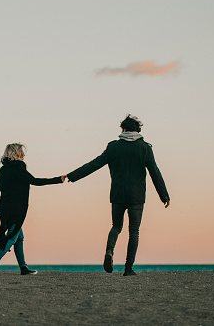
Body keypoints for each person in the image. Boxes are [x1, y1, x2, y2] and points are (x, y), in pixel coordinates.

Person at [64, 114, 170, 276]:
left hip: (118, 194)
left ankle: (109, 251)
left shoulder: (114, 147)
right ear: (138, 130)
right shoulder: (145, 148)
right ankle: (128, 269)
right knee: (134, 231)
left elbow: (95, 164)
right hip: (137, 196)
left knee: (116, 226)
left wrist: (72, 176)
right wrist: (164, 196)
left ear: (124, 129)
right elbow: (155, 172)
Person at [0, 143, 66, 275]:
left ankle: (23, 267)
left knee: (19, 236)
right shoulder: (19, 168)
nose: (23, 154)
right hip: (17, 209)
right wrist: (58, 179)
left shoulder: (3, 169)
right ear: (17, 153)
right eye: (21, 152)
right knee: (12, 235)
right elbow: (35, 181)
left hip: (4, 208)